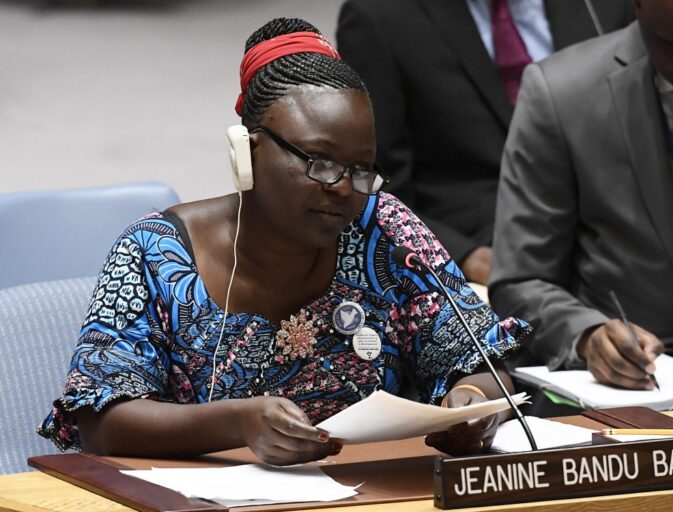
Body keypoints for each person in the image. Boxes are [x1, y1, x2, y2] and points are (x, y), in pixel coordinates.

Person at [39, 18, 531, 466]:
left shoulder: (384, 231)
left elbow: (484, 367)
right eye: (321, 163)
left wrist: (473, 403)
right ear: (247, 153)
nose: (343, 188)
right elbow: (102, 422)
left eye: (361, 169)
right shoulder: (155, 252)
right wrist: (239, 423)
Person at [490, 0, 673, 391]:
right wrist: (587, 336)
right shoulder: (561, 93)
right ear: (636, 6)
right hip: (620, 392)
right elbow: (521, 280)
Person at [336, 0, 636, 285]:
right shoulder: (378, 17)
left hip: (620, 237)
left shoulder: (609, 7)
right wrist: (462, 257)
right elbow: (375, 188)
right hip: (486, 251)